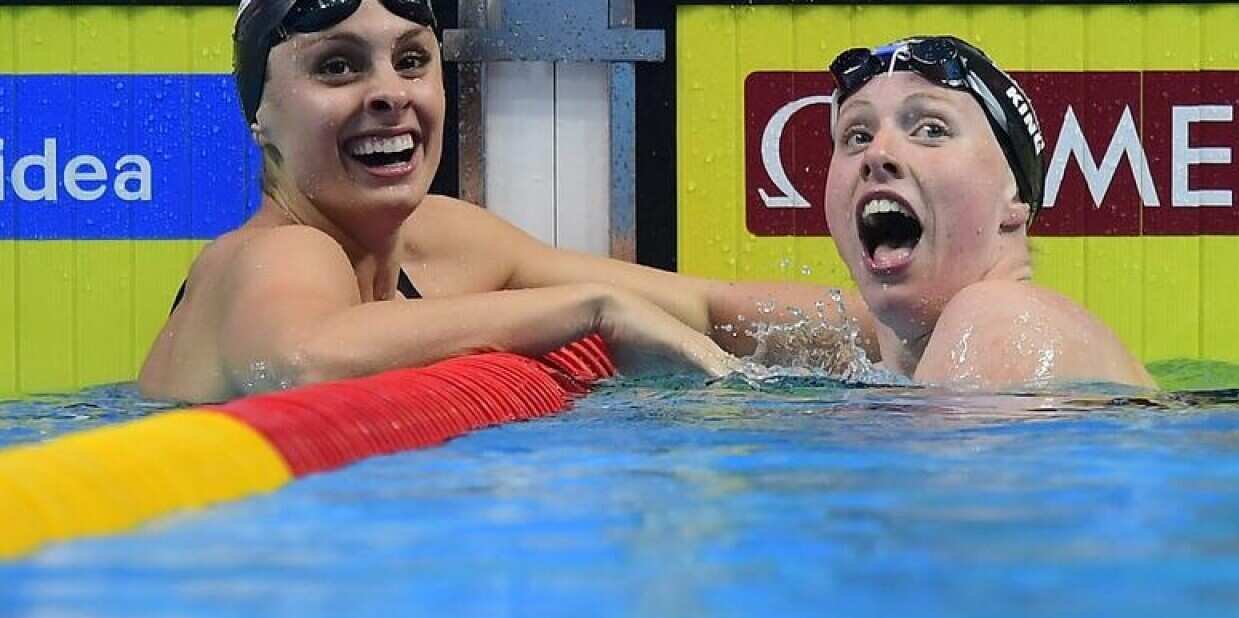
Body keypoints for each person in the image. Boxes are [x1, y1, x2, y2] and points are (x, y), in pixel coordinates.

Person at [139, 0, 875, 403]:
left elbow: (711, 309)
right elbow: (299, 362)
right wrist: (589, 310)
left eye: (412, 60)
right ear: (258, 117)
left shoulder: (447, 245)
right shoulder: (276, 253)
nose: (391, 93)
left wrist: (918, 334)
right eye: (337, 67)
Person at [823, 36, 1155, 389]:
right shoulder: (898, 352)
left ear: (1013, 197)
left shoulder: (997, 317)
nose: (876, 154)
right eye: (857, 136)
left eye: (931, 130)